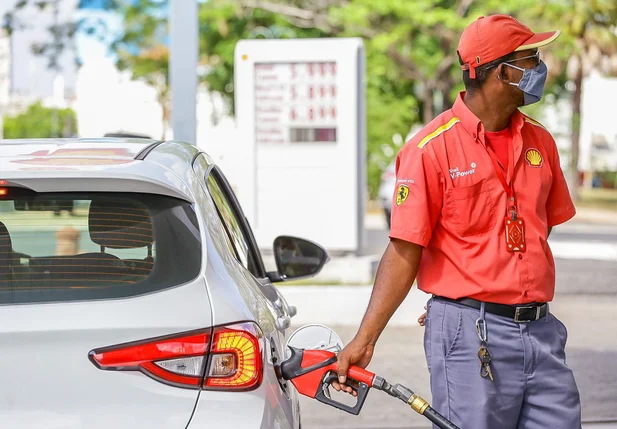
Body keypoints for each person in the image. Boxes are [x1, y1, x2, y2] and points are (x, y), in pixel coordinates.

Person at [334, 14, 581, 429]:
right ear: (502, 71)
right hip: (471, 336)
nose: (541, 68)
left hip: (541, 332)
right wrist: (368, 337)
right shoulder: (430, 150)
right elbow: (404, 249)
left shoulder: (540, 141)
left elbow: (539, 227)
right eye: (531, 58)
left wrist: (486, 273)